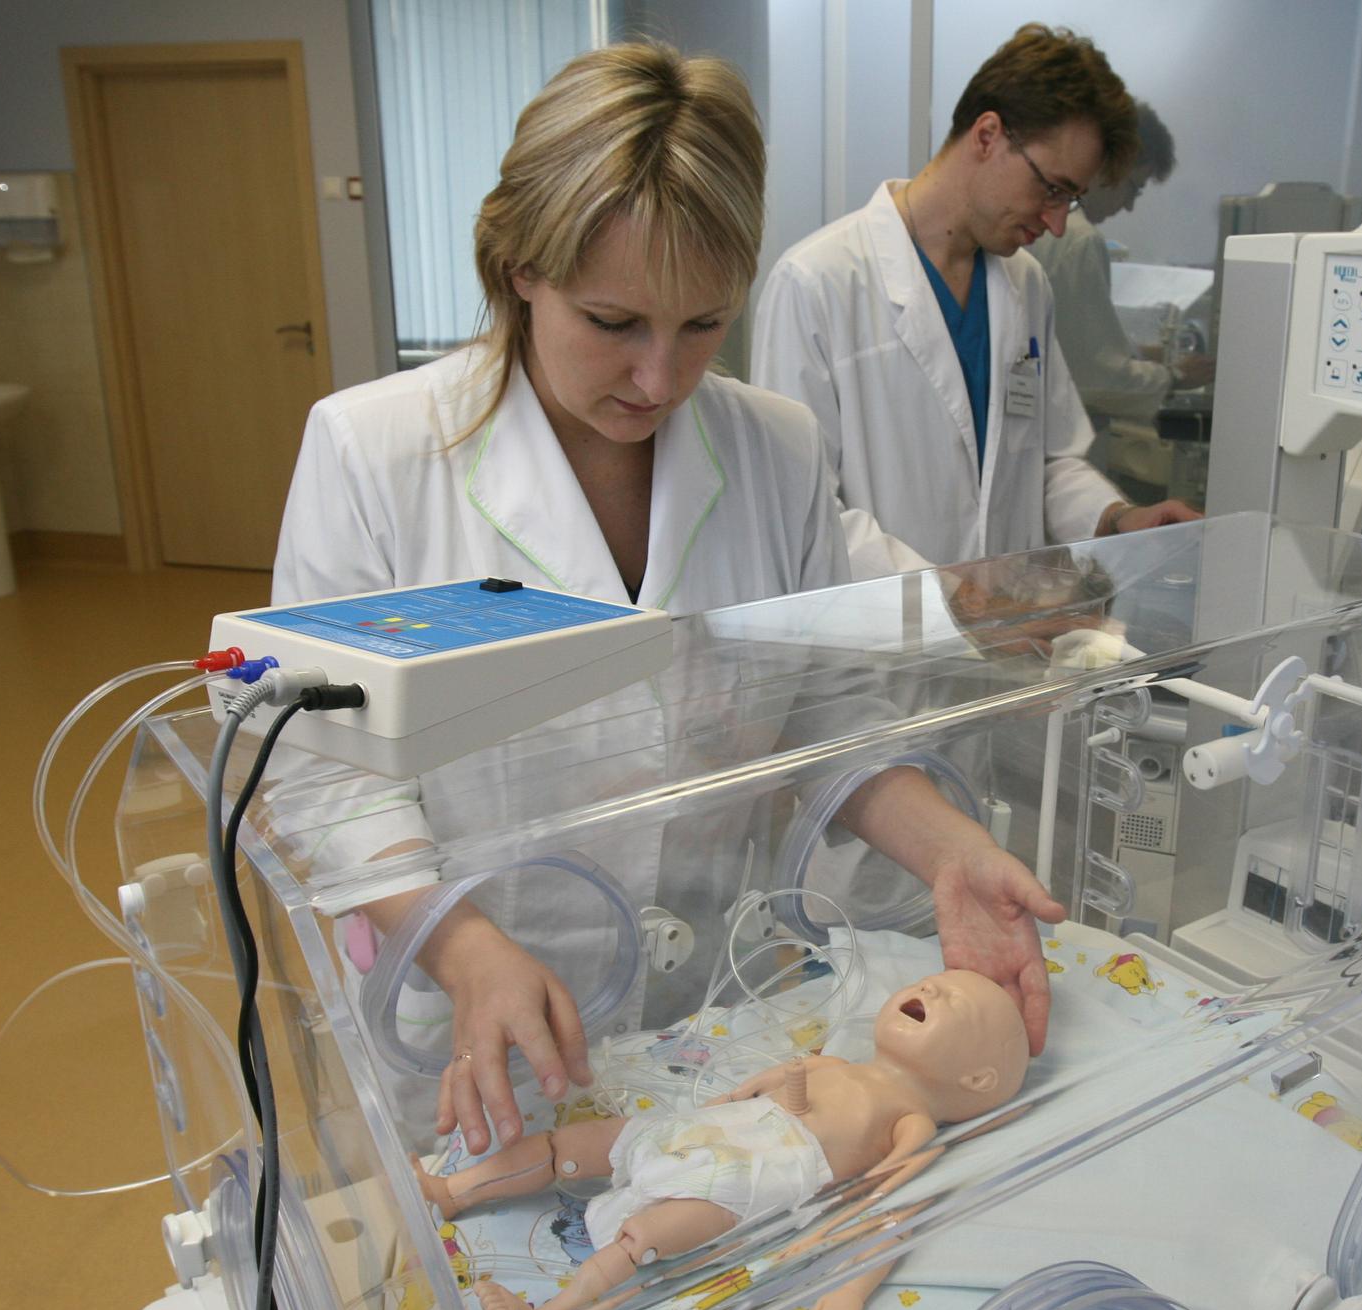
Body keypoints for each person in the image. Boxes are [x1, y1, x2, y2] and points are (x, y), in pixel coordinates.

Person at [270, 43, 1063, 1163]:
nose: (658, 378)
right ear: (518, 265)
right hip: (478, 1023)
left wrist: (947, 849)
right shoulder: (375, 453)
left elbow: (822, 712)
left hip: (710, 1009)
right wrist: (457, 943)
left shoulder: (777, 448)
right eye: (613, 322)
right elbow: (324, 772)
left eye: (701, 325)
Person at [752, 24, 1199, 583]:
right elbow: (801, 512)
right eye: (1052, 188)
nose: (1058, 223)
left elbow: (1046, 462)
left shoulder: (1025, 283)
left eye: (1071, 199)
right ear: (988, 135)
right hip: (882, 634)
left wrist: (1116, 518)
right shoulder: (816, 283)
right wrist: (949, 597)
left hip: (1010, 625)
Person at [421, 971, 1031, 1310]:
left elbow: (892, 1214)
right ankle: (453, 1190)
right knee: (573, 1145)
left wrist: (852, 1287)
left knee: (644, 1238)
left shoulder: (911, 1123)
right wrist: (741, 1095)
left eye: (957, 1005)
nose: (933, 990)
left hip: (754, 1178)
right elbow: (762, 1083)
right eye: (933, 983)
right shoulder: (836, 1064)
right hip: (708, 1130)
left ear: (977, 1079)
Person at [1027, 102, 1214, 423]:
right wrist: (1176, 377)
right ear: (1107, 163)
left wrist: (1135, 353)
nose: (1128, 206)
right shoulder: (1079, 239)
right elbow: (1097, 378)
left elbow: (1068, 342)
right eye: (1134, 189)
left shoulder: (1035, 219)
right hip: (1052, 430)